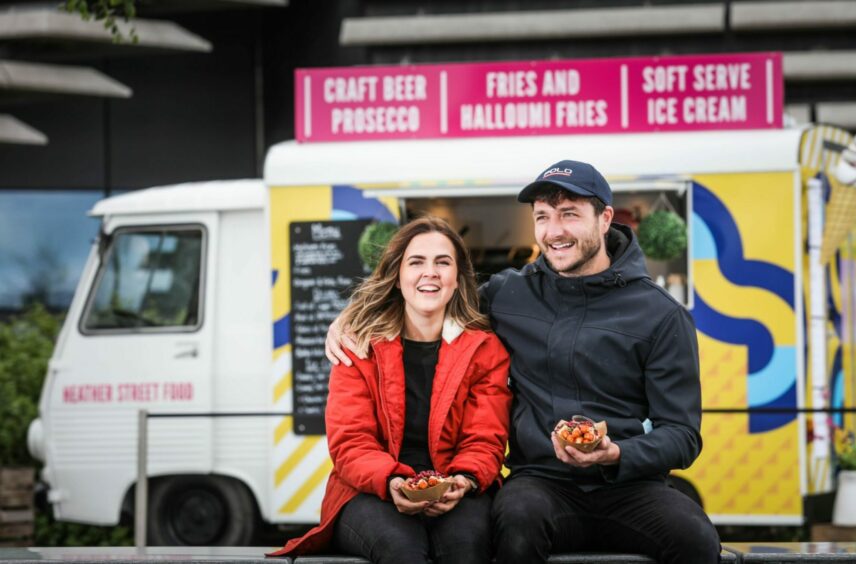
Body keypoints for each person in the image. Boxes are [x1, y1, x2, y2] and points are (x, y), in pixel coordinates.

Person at [326, 160, 721, 564]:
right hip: (541, 483)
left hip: (633, 486)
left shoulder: (662, 315)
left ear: (604, 219)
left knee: (698, 539)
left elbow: (682, 436)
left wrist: (616, 453)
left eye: (569, 214)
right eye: (543, 217)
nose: (554, 231)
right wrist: (349, 318)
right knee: (513, 523)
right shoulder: (507, 294)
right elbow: (430, 297)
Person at [270, 216, 512, 564]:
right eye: (416, 262)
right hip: (371, 491)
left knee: (466, 548)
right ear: (397, 277)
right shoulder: (357, 346)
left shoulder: (485, 350)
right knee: (402, 549)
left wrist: (464, 479)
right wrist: (394, 482)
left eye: (442, 263)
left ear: (457, 280)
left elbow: (485, 438)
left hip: (456, 487)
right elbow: (351, 442)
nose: (430, 272)